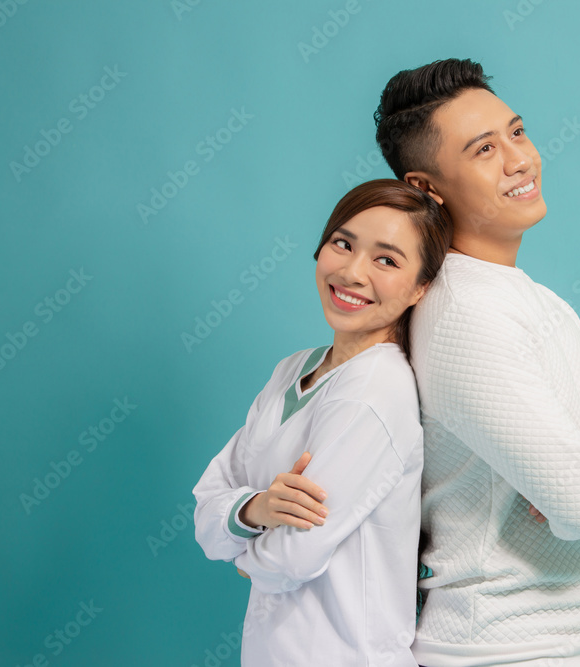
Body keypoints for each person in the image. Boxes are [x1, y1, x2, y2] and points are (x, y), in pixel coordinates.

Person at [373, 59, 580, 666]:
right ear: (426, 187)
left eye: (516, 133)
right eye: (484, 149)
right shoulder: (466, 314)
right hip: (502, 647)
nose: (519, 159)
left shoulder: (531, 301)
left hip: (558, 646)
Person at [192, 179, 452, 666]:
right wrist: (258, 508)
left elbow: (293, 558)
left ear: (422, 287)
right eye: (343, 243)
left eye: (387, 260)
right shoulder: (292, 370)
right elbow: (206, 508)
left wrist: (240, 550)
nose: (352, 272)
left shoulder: (375, 392)